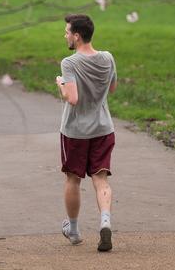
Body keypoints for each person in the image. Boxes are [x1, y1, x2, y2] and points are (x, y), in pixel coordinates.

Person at [55, 14, 117, 252]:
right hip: (103, 128)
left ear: (77, 36)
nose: (65, 35)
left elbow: (72, 98)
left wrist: (61, 83)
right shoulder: (108, 58)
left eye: (67, 31)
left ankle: (73, 230)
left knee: (73, 178)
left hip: (75, 132)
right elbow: (111, 87)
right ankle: (105, 222)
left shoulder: (69, 63)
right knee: (100, 178)